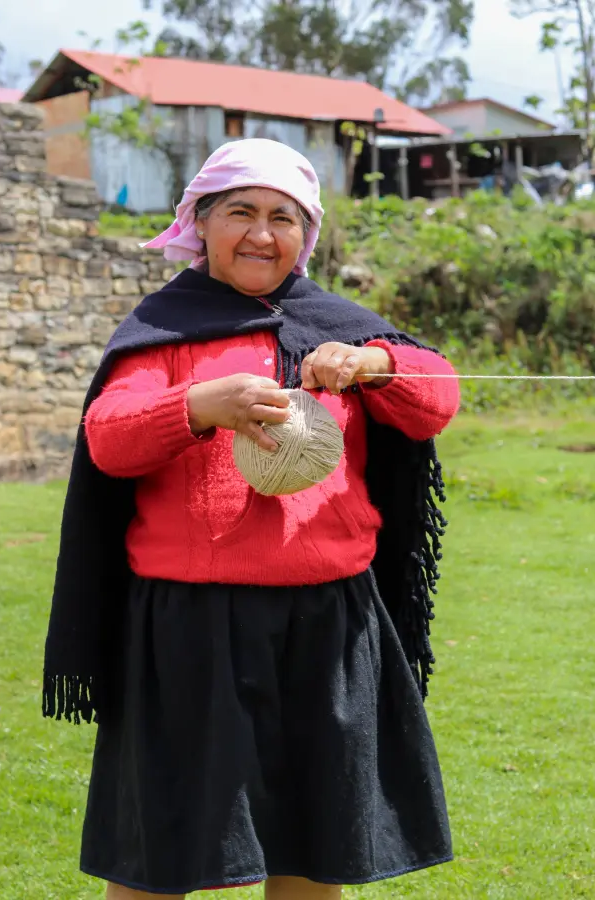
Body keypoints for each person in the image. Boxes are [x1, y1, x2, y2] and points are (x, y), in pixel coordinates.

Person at [43, 139, 460, 900]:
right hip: (190, 624)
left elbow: (437, 396)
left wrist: (372, 365)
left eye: (283, 217)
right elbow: (109, 437)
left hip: (328, 621)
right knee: (158, 849)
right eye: (240, 212)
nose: (262, 234)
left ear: (307, 233)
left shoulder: (340, 326)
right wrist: (203, 406)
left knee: (311, 843)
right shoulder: (164, 326)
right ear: (201, 223)